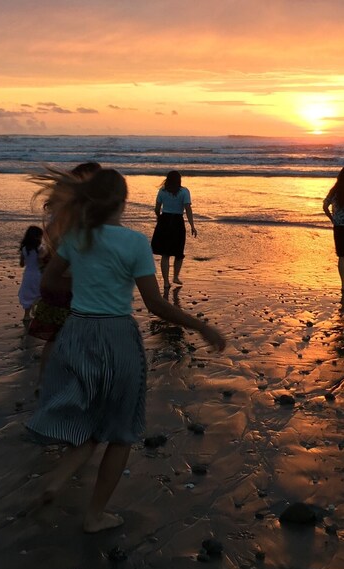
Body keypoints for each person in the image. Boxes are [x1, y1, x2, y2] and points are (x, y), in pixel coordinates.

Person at [25, 167, 226, 533]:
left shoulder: (76, 238)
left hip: (77, 333)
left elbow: (51, 280)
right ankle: (94, 515)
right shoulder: (134, 243)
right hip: (116, 337)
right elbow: (155, 305)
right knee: (119, 430)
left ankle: (57, 479)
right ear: (122, 202)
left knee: (89, 417)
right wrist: (201, 325)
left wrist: (86, 277)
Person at [27, 162, 101, 374]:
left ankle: (46, 383)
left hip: (60, 282)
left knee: (58, 337)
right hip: (70, 285)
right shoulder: (75, 215)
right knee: (74, 337)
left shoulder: (63, 211)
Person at [150, 170, 196, 290]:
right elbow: (188, 209)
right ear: (179, 180)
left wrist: (159, 218)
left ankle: (166, 282)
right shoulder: (184, 191)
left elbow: (157, 208)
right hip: (177, 221)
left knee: (165, 254)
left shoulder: (162, 191)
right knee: (178, 252)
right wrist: (192, 225)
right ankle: (175, 277)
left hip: (164, 220)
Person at [18, 225, 44, 322]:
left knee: (28, 294)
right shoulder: (40, 248)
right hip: (38, 274)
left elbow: (21, 264)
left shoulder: (24, 249)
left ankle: (26, 315)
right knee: (39, 293)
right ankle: (36, 311)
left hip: (27, 274)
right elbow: (41, 263)